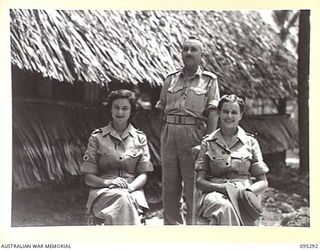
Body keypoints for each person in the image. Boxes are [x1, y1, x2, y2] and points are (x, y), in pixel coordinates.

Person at [155, 36, 220, 225]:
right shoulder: (170, 79)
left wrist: (206, 143)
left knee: (193, 186)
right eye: (185, 49)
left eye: (193, 49)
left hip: (194, 135)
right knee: (169, 185)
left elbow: (213, 113)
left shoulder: (209, 80)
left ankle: (193, 231)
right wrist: (166, 132)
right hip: (170, 134)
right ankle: (172, 229)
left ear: (201, 55)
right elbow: (161, 109)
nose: (188, 53)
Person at [80, 89, 154, 225]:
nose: (120, 112)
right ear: (110, 109)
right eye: (116, 107)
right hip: (103, 191)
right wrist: (108, 183)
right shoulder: (97, 137)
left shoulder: (140, 138)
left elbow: (143, 175)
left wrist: (130, 188)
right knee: (122, 198)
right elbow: (88, 178)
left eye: (125, 108)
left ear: (131, 111)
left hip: (132, 190)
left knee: (124, 197)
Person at [194, 94, 269, 225]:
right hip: (215, 193)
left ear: (240, 116)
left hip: (243, 192)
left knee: (237, 208)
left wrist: (246, 193)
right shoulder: (208, 142)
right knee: (225, 207)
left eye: (234, 112)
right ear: (219, 113)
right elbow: (199, 182)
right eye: (225, 111)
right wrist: (222, 188)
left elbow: (263, 182)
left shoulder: (250, 142)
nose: (229, 116)